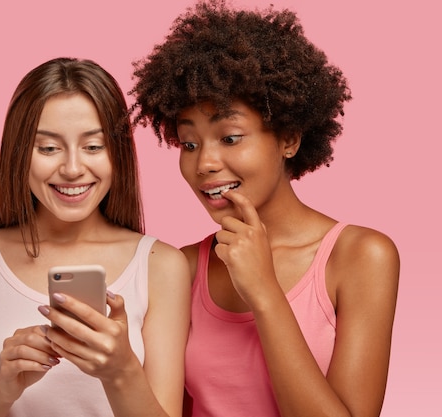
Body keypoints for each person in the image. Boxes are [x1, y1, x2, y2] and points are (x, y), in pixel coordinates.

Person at [130, 1, 400, 416]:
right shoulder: (180, 267)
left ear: (289, 139)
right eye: (189, 144)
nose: (204, 163)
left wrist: (265, 293)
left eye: (230, 137)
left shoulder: (360, 256)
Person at [0, 57, 191, 417]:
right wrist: (2, 391)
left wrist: (120, 371)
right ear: (19, 154)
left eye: (93, 146)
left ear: (118, 153)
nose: (72, 169)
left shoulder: (162, 266)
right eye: (48, 148)